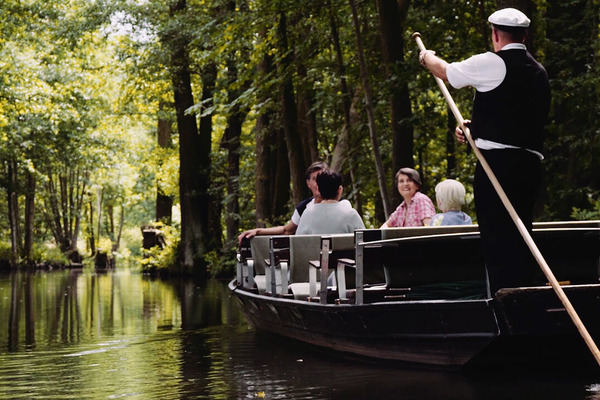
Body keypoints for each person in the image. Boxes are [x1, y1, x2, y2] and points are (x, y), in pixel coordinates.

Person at [418, 8, 551, 292]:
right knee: (519, 232)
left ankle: (507, 301)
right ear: (525, 35)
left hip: (498, 167)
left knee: (497, 237)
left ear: (494, 34)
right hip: (529, 168)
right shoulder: (539, 72)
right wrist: (474, 127)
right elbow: (517, 119)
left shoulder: (493, 62)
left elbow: (445, 71)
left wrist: (426, 56)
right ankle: (523, 293)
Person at [237, 161, 351, 243]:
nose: (318, 184)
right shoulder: (304, 208)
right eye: (315, 179)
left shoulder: (343, 207)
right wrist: (258, 231)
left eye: (322, 180)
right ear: (308, 183)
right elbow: (287, 230)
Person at [296, 168, 364, 234]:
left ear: (319, 190)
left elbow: (297, 242)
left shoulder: (307, 214)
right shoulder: (351, 214)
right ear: (339, 190)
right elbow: (364, 241)